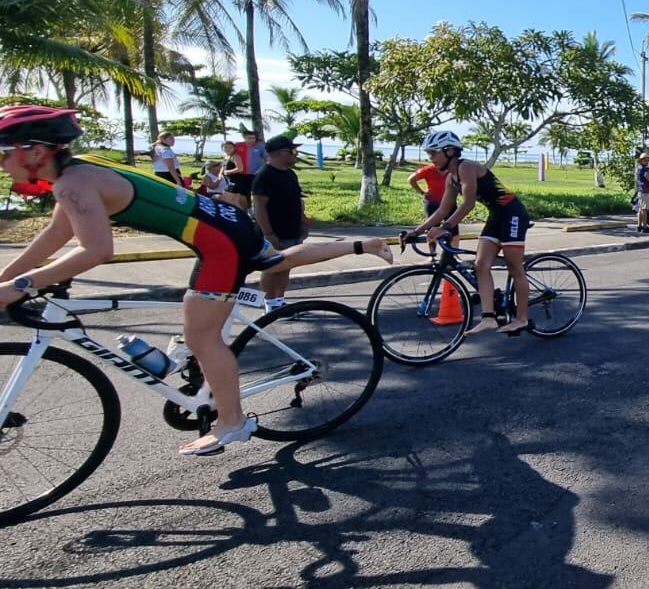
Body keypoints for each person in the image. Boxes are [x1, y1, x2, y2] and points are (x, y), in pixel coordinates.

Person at [0, 105, 395, 456]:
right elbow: (53, 236)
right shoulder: (78, 171)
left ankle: (232, 422)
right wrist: (6, 278)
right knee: (272, 263)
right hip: (225, 224)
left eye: (5, 153)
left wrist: (23, 285)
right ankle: (361, 243)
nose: (1, 162)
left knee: (202, 336)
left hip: (219, 243)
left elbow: (97, 250)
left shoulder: (73, 184)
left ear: (36, 151)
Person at [407, 130, 532, 336]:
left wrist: (445, 228)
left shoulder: (467, 167)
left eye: (433, 153)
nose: (430, 158)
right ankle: (489, 319)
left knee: (514, 266)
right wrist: (417, 231)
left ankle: (521, 319)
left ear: (450, 151)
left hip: (513, 213)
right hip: (496, 215)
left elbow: (468, 204)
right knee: (481, 265)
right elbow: (443, 210)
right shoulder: (451, 178)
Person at [251, 136, 308, 313]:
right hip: (273, 231)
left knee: (286, 266)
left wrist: (302, 224)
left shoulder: (290, 174)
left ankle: (280, 300)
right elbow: (259, 205)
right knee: (271, 267)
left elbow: (297, 201)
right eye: (293, 151)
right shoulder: (265, 175)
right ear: (280, 152)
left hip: (291, 230)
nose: (295, 155)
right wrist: (268, 233)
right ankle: (270, 304)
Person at [409, 159, 458, 248]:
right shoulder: (428, 170)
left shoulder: (453, 171)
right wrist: (422, 192)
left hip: (449, 202)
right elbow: (411, 179)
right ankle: (432, 255)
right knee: (431, 229)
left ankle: (454, 254)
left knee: (453, 229)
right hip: (432, 202)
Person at [233, 130, 267, 210]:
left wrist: (263, 169)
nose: (251, 140)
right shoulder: (238, 145)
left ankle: (257, 210)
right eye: (249, 138)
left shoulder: (260, 147)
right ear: (244, 138)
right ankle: (246, 210)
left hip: (256, 174)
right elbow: (231, 155)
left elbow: (267, 158)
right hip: (241, 174)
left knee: (257, 193)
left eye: (253, 138)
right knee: (244, 193)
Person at [220, 140, 246, 209]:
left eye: (230, 147)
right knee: (235, 202)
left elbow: (240, 169)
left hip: (236, 181)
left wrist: (227, 172)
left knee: (227, 200)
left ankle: (241, 217)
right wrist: (220, 174)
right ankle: (242, 217)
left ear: (234, 148)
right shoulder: (226, 156)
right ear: (222, 148)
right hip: (230, 181)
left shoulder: (235, 157)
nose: (228, 149)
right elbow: (224, 166)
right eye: (226, 147)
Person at [634, 153, 649, 234]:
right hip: (645, 190)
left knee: (640, 209)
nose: (647, 161)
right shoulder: (645, 170)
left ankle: (639, 226)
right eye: (645, 160)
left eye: (647, 160)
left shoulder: (639, 168)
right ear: (641, 161)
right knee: (644, 209)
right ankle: (645, 227)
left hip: (640, 190)